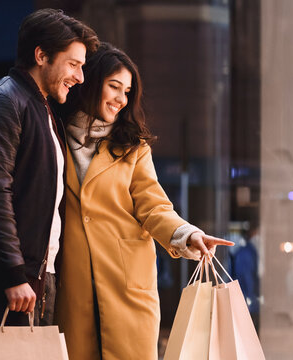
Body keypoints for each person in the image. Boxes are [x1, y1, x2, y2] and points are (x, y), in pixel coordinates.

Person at [54, 43, 234, 360]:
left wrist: (187, 234)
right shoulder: (52, 136)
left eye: (127, 92)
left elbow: (154, 206)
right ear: (91, 81)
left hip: (127, 286)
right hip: (72, 285)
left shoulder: (133, 149)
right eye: (114, 87)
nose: (121, 99)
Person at [0, 9, 98, 327]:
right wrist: (13, 274)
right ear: (41, 55)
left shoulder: (40, 108)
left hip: (35, 274)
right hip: (12, 281)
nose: (80, 77)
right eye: (73, 64)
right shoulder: (1, 101)